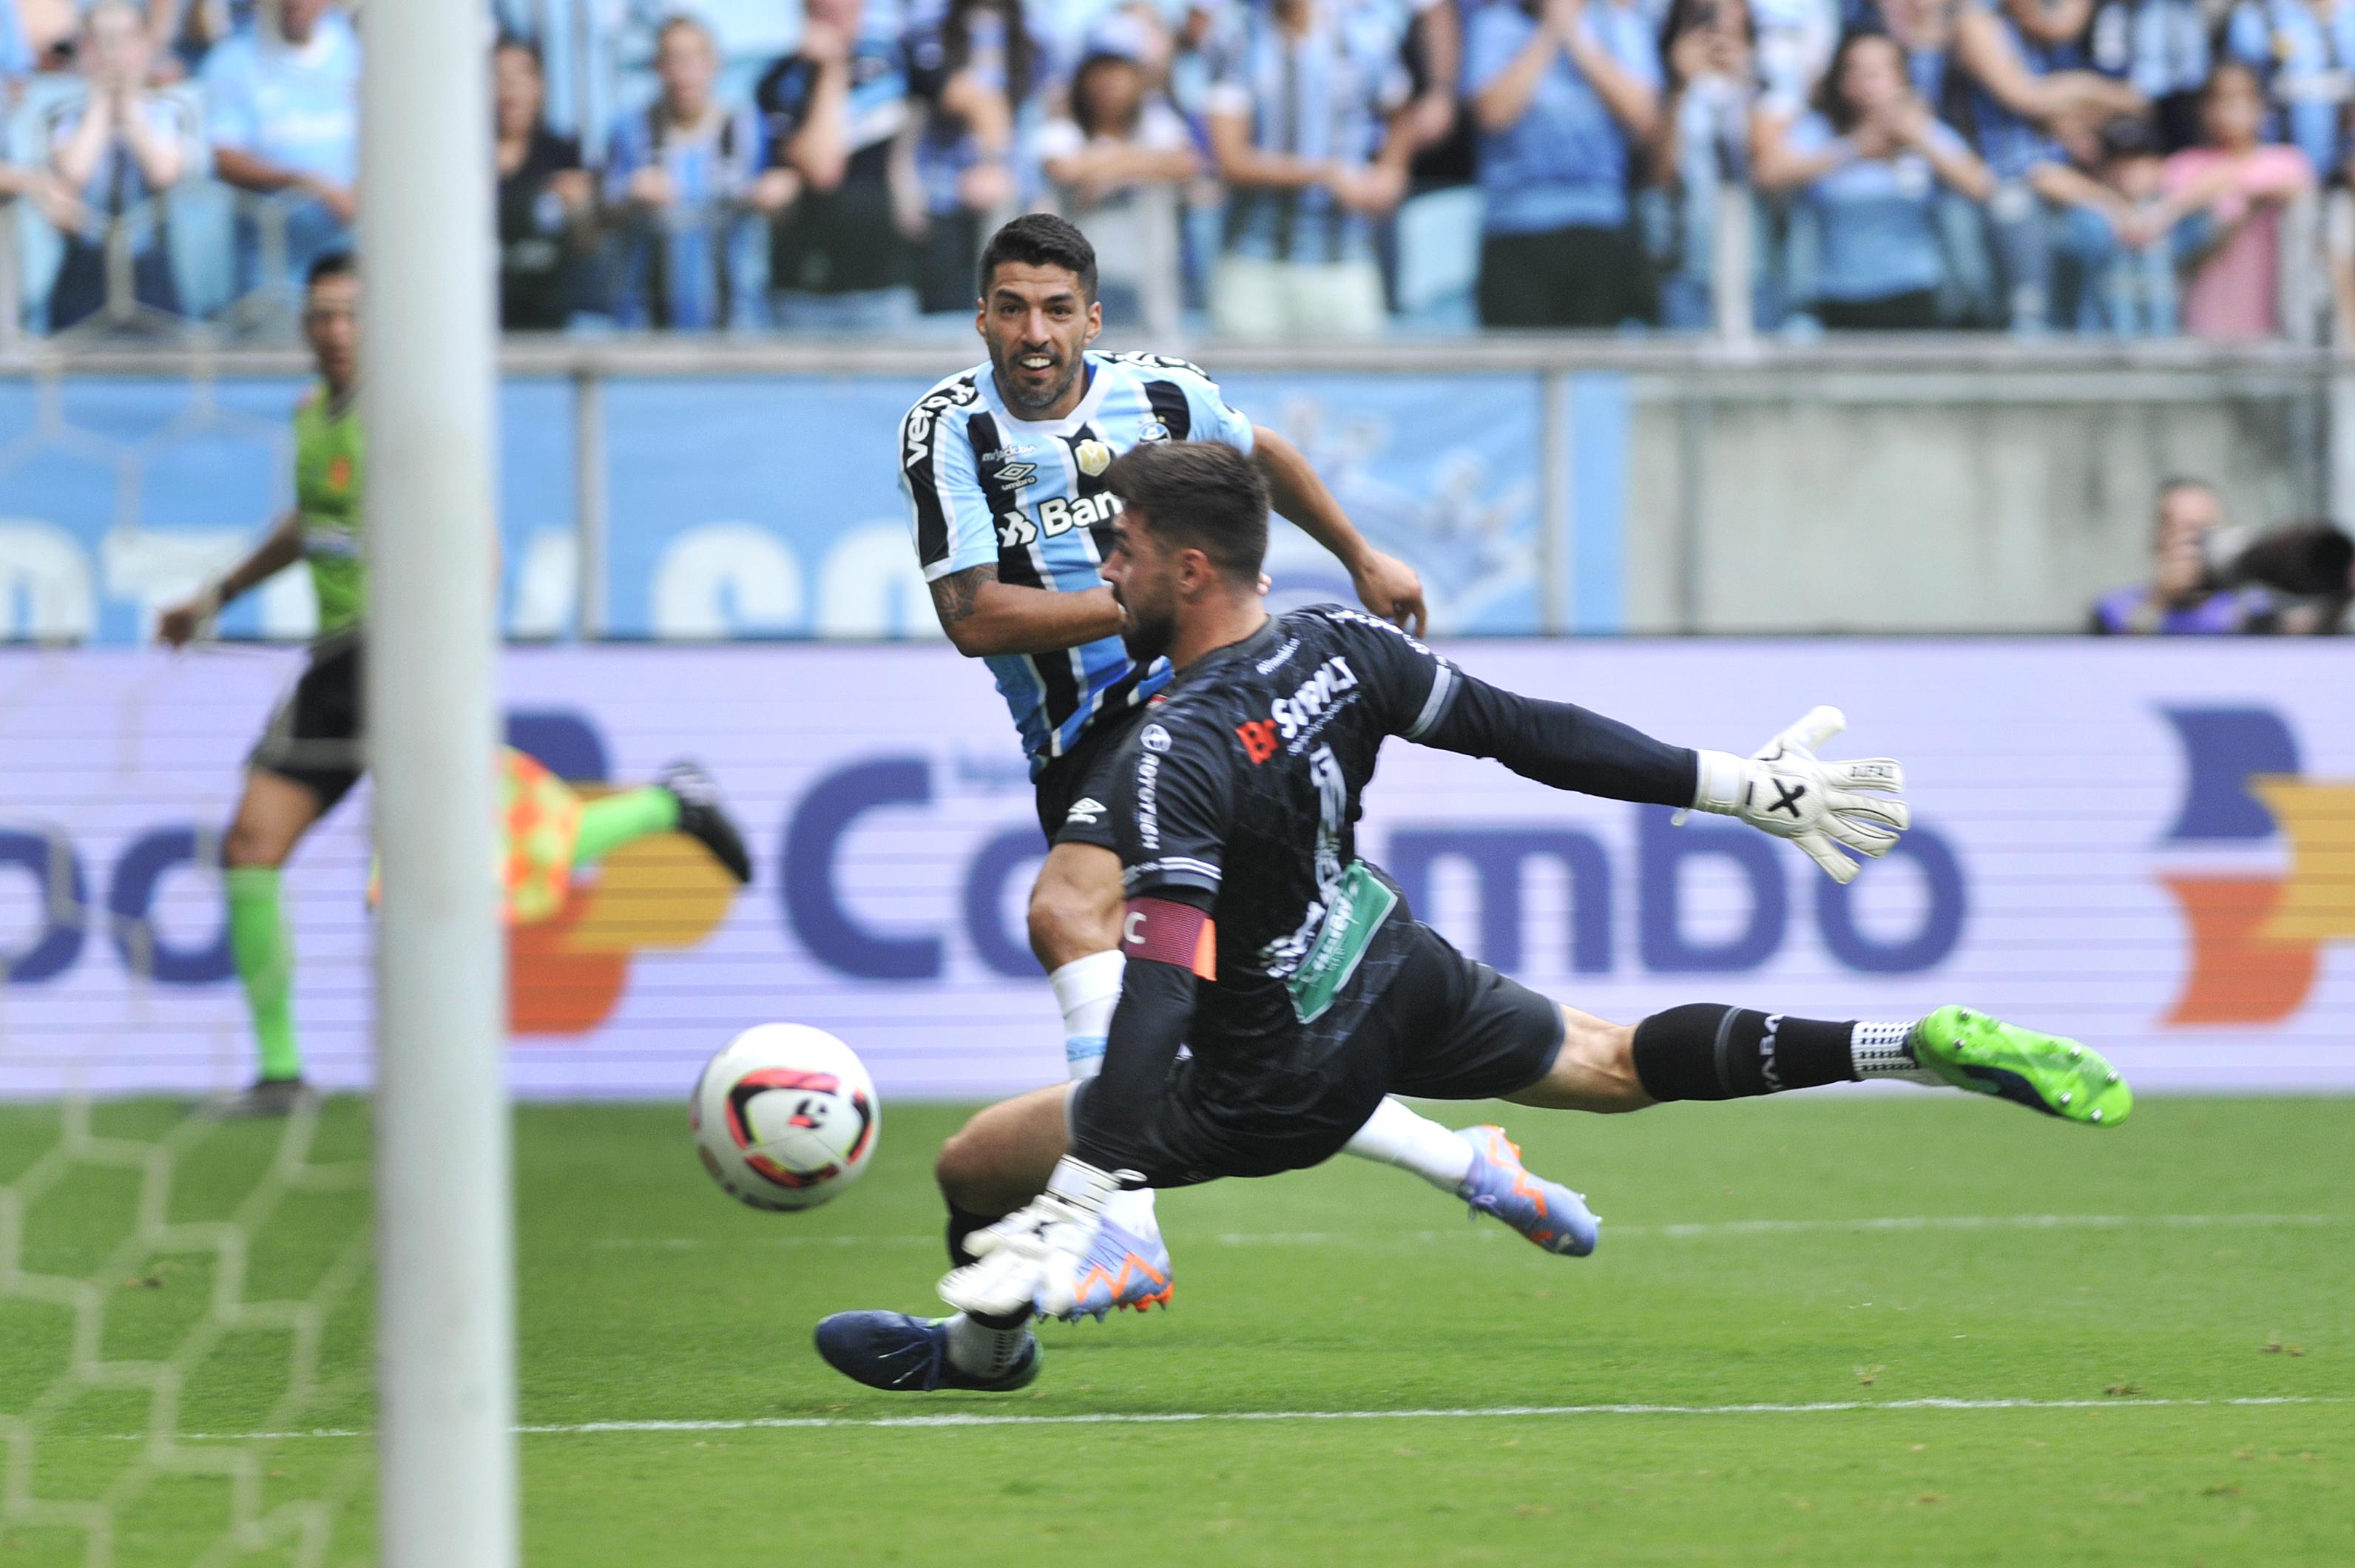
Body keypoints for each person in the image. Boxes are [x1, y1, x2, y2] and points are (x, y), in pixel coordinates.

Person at [815, 437, 2131, 1391]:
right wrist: (1740, 787)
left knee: (971, 1167)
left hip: (1269, 1075)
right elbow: (1528, 734)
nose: (1104, 576)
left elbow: (1160, 978)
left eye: (1121, 553)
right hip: (1392, 971)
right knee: (1613, 1067)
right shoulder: (1339, 645)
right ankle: (1899, 1047)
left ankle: (986, 1358)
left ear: (1192, 564)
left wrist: (1101, 1176)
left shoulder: (1172, 751)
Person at [896, 214, 1550, 1321]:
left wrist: (1359, 552)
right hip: (1082, 734)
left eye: (1058, 310)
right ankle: (1461, 1155)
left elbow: (1263, 456)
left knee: (1066, 914)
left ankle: (1118, 1219)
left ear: (1092, 319)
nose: (1035, 332)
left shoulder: (1159, 393)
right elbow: (972, 617)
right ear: (983, 318)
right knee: (1246, 1031)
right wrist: (1135, 598)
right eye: (1012, 307)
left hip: (1208, 702)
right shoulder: (949, 429)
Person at [152, 254, 752, 1115]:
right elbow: (309, 521)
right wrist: (215, 596)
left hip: (405, 658)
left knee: (468, 863)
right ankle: (280, 1073)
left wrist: (450, 653)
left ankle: (667, 805)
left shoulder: (407, 422)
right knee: (252, 844)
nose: (333, 331)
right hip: (335, 664)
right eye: (319, 315)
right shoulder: (313, 418)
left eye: (349, 315)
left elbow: (476, 539)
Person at [1755, 28, 1994, 330]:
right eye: (1855, 71)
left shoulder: (1922, 130)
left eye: (1879, 72)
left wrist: (1920, 140)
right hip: (1836, 295)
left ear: (1902, 77)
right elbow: (1767, 174)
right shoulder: (1821, 130)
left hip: (1917, 290)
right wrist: (1853, 149)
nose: (1867, 83)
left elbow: (1982, 185)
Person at [1204, 0, 1415, 337]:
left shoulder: (1362, 34)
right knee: (1247, 386)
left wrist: (1392, 173)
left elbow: (1400, 110)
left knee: (1355, 385)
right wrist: (1327, 175)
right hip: (1254, 258)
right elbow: (1231, 160)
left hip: (1344, 257)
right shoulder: (1238, 36)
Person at [1464, 0, 1664, 328]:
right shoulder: (1497, 23)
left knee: (1594, 370)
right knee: (1517, 369)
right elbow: (1493, 112)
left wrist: (1575, 33)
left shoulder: (1618, 22)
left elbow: (1642, 114)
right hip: (1515, 225)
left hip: (1601, 223)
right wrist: (1550, 31)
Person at [756, 0, 922, 332]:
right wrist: (831, 69)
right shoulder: (781, 80)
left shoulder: (896, 64)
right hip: (804, 291)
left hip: (885, 285)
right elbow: (822, 169)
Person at [601, 13, 768, 330]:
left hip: (735, 321)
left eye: (695, 59)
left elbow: (775, 203)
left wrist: (764, 195)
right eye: (673, 60)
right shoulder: (630, 129)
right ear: (658, 68)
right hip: (645, 323)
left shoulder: (745, 127)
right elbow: (601, 215)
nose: (685, 74)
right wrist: (629, 194)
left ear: (714, 64)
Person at [41, 0, 201, 329]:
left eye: (124, 38)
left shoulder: (168, 113)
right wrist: (101, 102)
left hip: (149, 267)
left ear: (145, 44)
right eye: (99, 40)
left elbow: (162, 173)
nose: (111, 51)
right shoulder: (66, 115)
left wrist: (128, 103)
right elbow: (73, 173)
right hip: (86, 268)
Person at [1035, 24, 1197, 333]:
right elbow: (1063, 168)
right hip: (1076, 274)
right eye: (1099, 71)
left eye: (1119, 70)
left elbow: (1186, 163)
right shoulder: (1064, 122)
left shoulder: (1154, 117)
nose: (1108, 82)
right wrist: (1141, 161)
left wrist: (1104, 166)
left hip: (1147, 277)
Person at [200, 0, 360, 299]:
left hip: (352, 260)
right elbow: (224, 157)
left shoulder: (358, 53)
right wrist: (305, 181)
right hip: (272, 268)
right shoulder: (233, 61)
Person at [2162, 60, 2316, 340]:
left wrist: (2237, 189)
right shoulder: (2183, 166)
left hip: (2274, 321)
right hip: (2204, 318)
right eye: (2220, 99)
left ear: (2260, 106)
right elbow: (2171, 215)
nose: (2231, 110)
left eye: (2242, 98)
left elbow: (2295, 189)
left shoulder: (2286, 161)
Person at [494, 36, 596, 331]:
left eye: (520, 78)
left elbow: (586, 245)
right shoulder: (460, 160)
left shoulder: (563, 153)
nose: (509, 91)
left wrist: (579, 211)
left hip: (549, 323)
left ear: (540, 87)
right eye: (499, 77)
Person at [2087, 476, 2279, 632]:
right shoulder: (2115, 609)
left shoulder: (2255, 607)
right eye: (2179, 530)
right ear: (2157, 537)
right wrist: (2160, 601)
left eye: (2203, 530)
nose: (2192, 544)